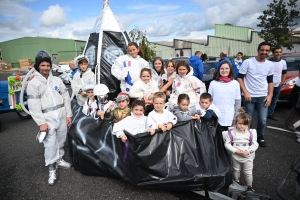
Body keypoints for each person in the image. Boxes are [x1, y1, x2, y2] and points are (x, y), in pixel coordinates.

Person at [27, 50, 72, 186]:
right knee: (50, 144)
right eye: (43, 65)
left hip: (61, 114)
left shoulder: (57, 80)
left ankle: (59, 159)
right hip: (48, 118)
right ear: (38, 66)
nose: (46, 67)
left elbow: (66, 97)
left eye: (48, 65)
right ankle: (52, 167)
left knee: (61, 139)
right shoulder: (34, 83)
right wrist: (41, 123)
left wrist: (68, 114)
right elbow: (33, 105)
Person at [237, 41, 274, 147]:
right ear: (258, 50)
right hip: (249, 96)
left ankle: (260, 136)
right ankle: (250, 136)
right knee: (249, 118)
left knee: (262, 119)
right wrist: (246, 92)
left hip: (263, 96)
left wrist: (270, 95)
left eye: (267, 50)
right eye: (262, 50)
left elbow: (270, 81)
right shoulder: (248, 62)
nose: (264, 52)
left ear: (269, 52)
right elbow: (240, 78)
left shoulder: (269, 65)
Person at [223, 108, 259, 192]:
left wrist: (248, 151)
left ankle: (249, 187)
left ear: (248, 125)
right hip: (235, 156)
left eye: (244, 124)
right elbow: (227, 144)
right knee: (235, 170)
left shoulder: (251, 133)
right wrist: (236, 151)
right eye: (240, 123)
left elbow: (255, 144)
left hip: (248, 157)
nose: (242, 126)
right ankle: (236, 183)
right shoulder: (231, 132)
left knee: (248, 172)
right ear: (235, 123)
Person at [208, 61, 241, 132]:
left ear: (230, 70)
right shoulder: (213, 83)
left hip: (230, 117)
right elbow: (209, 101)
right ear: (219, 70)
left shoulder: (235, 83)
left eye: (226, 68)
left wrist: (236, 117)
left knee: (229, 140)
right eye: (222, 69)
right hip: (216, 117)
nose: (224, 71)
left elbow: (237, 102)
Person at [267, 46, 287, 121]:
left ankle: (270, 114)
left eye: (280, 52)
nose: (278, 54)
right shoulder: (268, 61)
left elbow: (284, 73)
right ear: (273, 53)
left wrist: (282, 81)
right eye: (276, 52)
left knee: (274, 100)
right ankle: (265, 114)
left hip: (277, 85)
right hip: (268, 85)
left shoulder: (283, 62)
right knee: (266, 100)